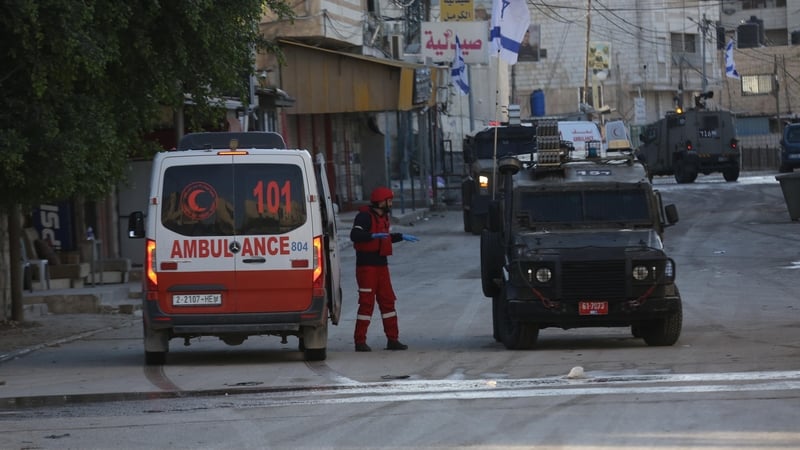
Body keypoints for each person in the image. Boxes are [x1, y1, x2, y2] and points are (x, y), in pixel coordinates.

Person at [350, 186, 419, 352]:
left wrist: (400, 237)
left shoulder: (383, 217)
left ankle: (393, 339)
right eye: (389, 200)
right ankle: (360, 341)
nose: (391, 203)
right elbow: (355, 235)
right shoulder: (364, 217)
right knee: (366, 304)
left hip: (382, 266)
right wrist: (371, 236)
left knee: (388, 301)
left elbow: (384, 239)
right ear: (381, 202)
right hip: (366, 267)